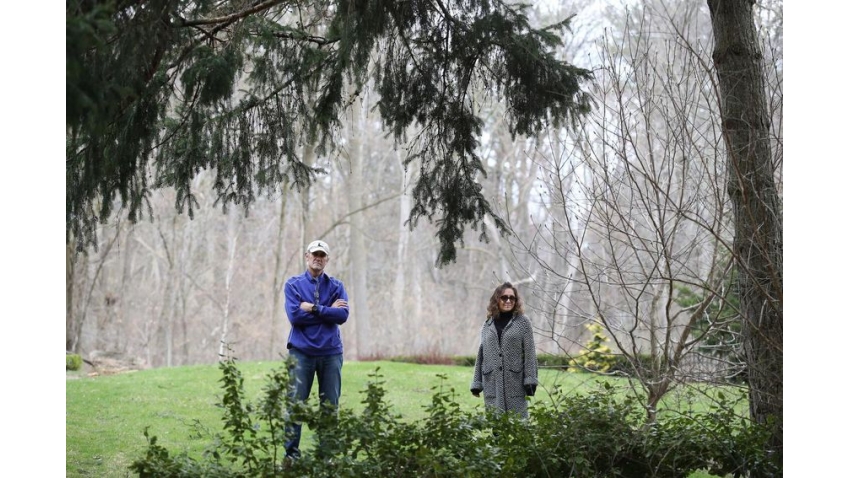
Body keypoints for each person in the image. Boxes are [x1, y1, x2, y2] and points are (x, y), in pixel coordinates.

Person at [283, 239, 349, 459]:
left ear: (327, 259)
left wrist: (313, 308)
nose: (318, 258)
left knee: (330, 406)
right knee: (296, 405)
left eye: (322, 255)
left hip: (331, 354)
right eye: (315, 254)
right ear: (306, 256)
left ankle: (326, 456)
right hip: (301, 353)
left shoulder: (337, 286)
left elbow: (342, 316)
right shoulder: (292, 285)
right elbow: (295, 317)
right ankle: (291, 456)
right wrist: (327, 312)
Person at [470, 282, 538, 419]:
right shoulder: (487, 325)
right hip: (492, 384)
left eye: (512, 298)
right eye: (504, 298)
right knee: (497, 427)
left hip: (515, 383)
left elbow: (530, 352)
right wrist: (477, 383)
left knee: (519, 425)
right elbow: (481, 355)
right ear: (497, 300)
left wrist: (530, 380)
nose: (508, 301)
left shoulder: (523, 322)